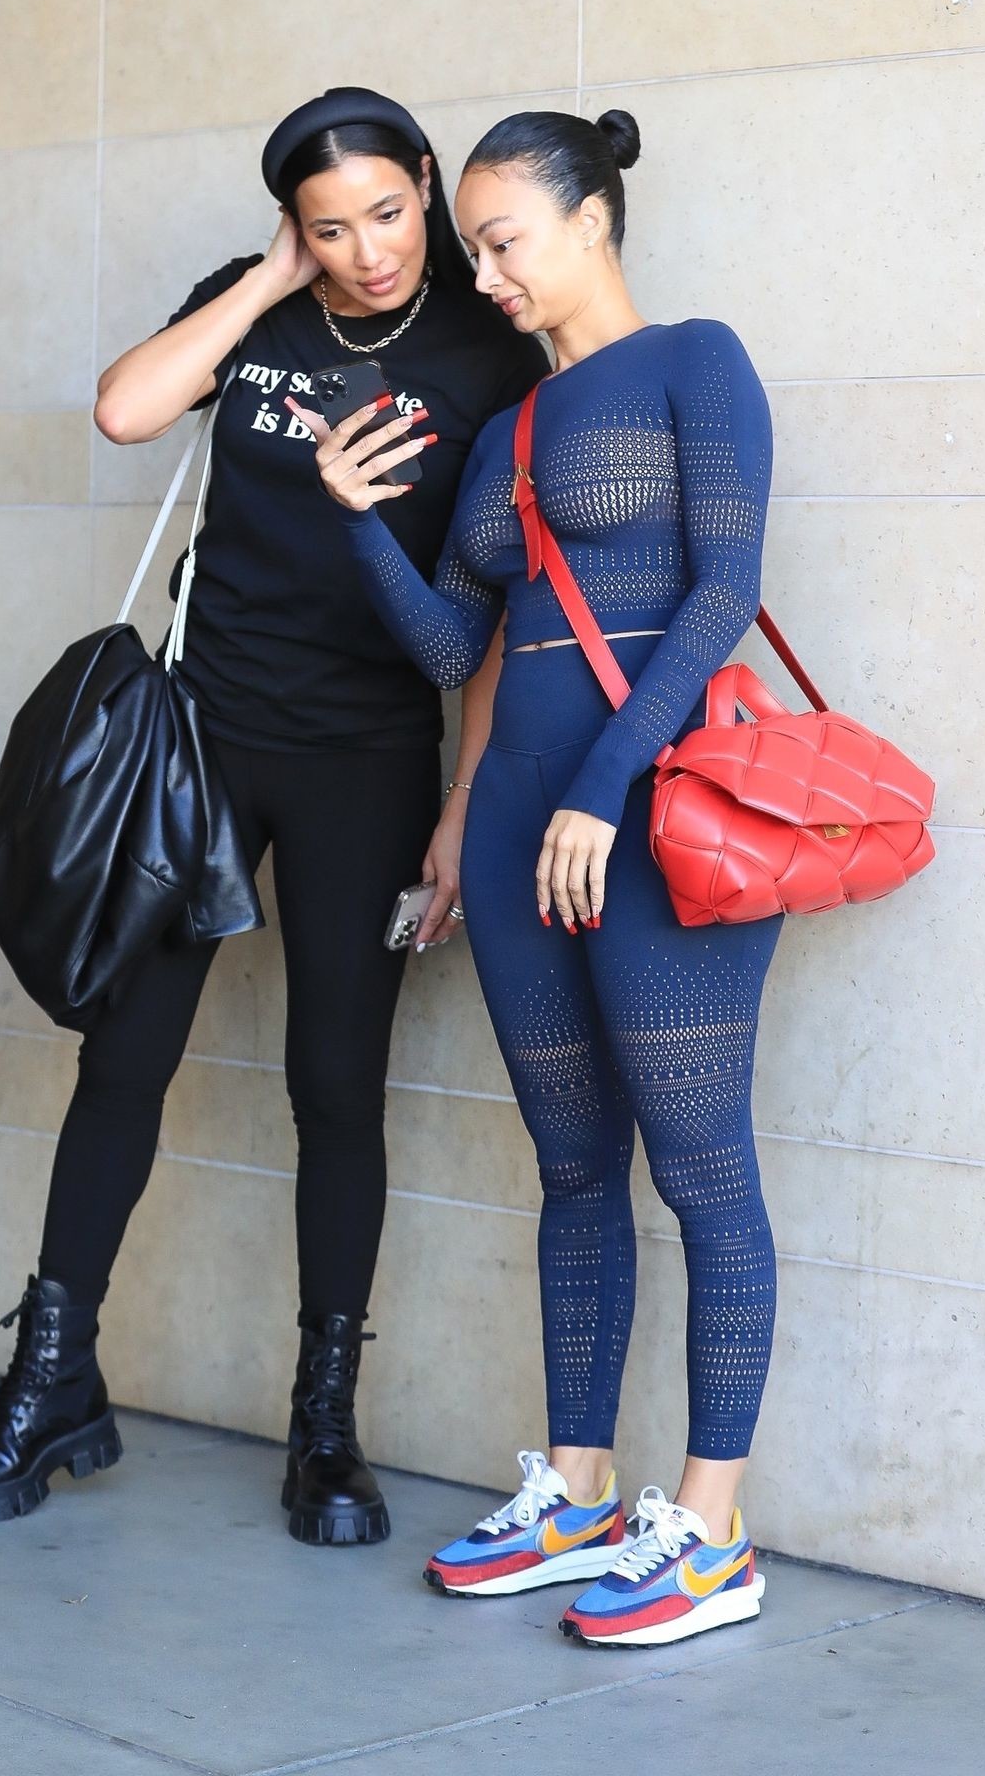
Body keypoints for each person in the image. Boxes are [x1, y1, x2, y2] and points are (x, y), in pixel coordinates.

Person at [0, 87, 548, 1544]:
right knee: (124, 1059)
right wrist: (267, 280)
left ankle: (325, 1425)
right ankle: (50, 1384)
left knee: (335, 1082)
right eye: (329, 229)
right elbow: (126, 409)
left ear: (426, 184)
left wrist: (464, 802)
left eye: (386, 213)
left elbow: (501, 604)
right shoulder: (259, 302)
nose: (368, 252)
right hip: (204, 739)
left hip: (368, 758)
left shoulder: (488, 347)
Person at [296, 106, 785, 1642]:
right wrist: (358, 525)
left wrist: (601, 785)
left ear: (591, 221)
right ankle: (577, 1491)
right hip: (518, 834)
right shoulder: (509, 434)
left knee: (702, 1171)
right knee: (572, 1170)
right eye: (476, 251)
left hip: (651, 823)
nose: (488, 275)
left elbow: (725, 590)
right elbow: (459, 646)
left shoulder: (697, 362)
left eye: (503, 242)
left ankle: (713, 1531)